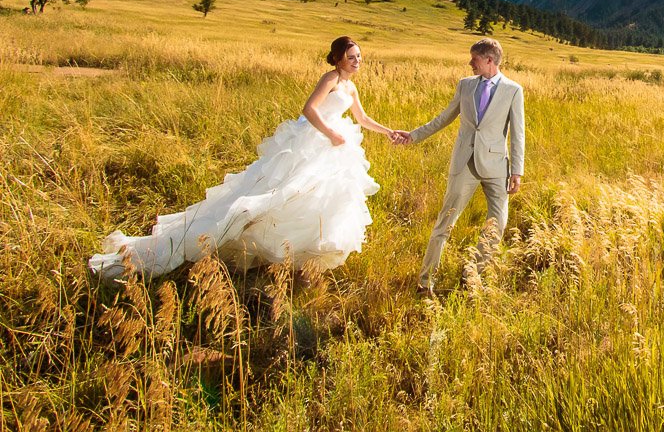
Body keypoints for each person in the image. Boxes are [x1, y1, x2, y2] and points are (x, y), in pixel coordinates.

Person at [89, 36, 402, 280]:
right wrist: (330, 134)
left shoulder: (352, 87)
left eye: (359, 56)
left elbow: (362, 119)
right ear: (337, 58)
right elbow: (309, 110)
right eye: (351, 56)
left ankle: (305, 254)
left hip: (335, 147)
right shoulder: (330, 79)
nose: (357, 61)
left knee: (319, 200)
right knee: (280, 193)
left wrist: (389, 131)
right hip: (316, 142)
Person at [399, 37, 525, 298]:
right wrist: (413, 135)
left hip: (496, 166)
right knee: (446, 221)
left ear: (489, 60)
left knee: (498, 223)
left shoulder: (514, 90)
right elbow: (444, 118)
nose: (470, 63)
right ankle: (425, 282)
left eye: (474, 59)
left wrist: (517, 171)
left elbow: (518, 134)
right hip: (464, 163)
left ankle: (474, 275)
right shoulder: (465, 86)